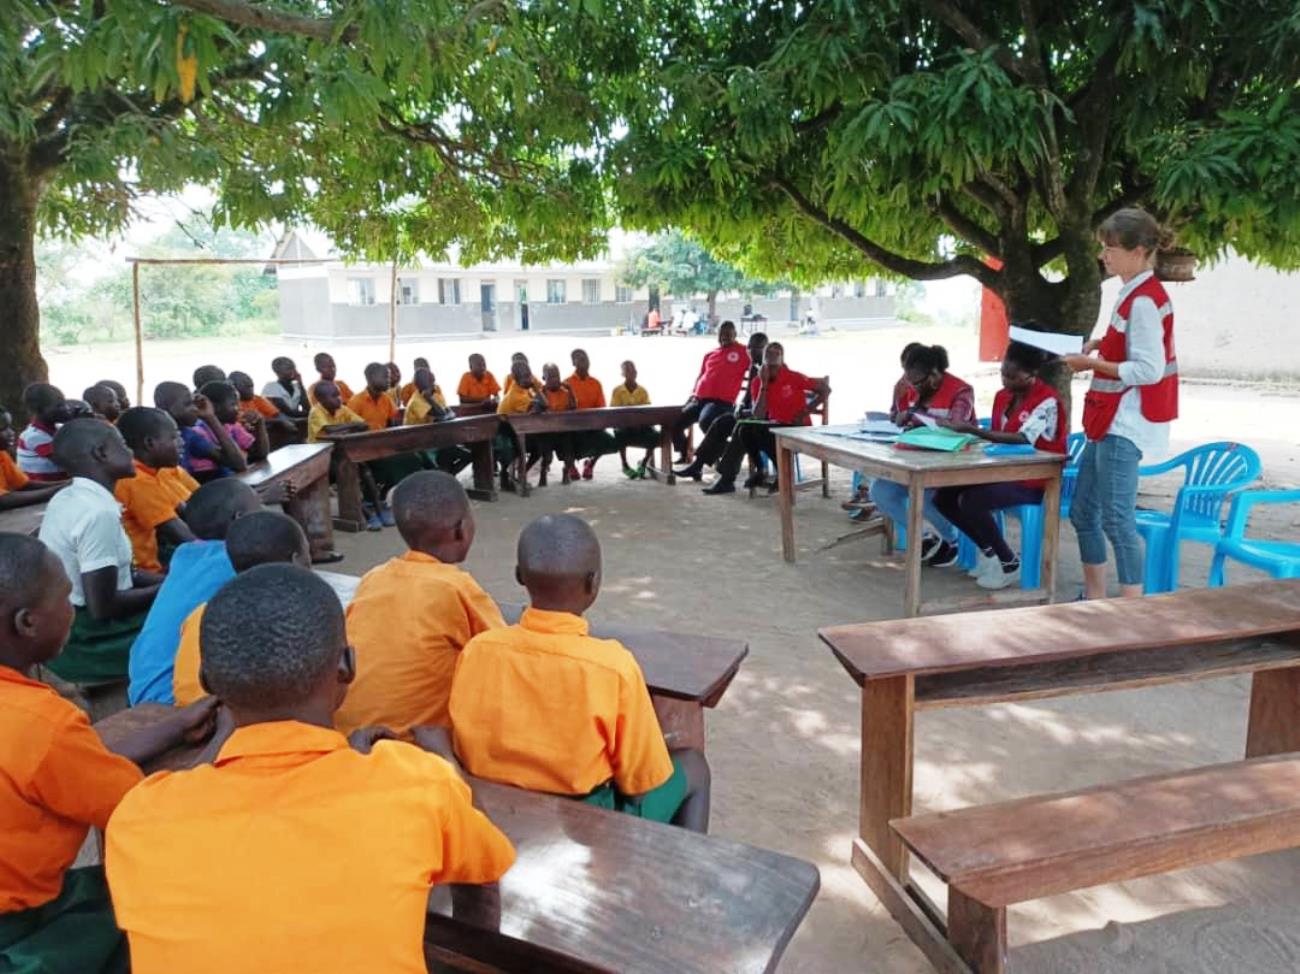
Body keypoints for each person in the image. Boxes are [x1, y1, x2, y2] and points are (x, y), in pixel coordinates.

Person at [105, 565, 516, 973]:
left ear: (208, 680)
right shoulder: (416, 782)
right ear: (347, 666)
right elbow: (482, 878)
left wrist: (216, 744)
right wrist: (442, 760)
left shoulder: (139, 816)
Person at [0, 533, 217, 974]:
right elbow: (135, 804)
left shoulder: (34, 723)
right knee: (171, 905)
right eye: (64, 597)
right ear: (27, 622)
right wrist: (225, 732)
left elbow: (72, 762)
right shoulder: (44, 724)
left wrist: (170, 724)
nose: (70, 609)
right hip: (20, 935)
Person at [449, 514, 710, 831]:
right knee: (694, 767)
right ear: (594, 583)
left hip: (495, 807)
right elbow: (639, 788)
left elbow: (464, 742)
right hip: (583, 824)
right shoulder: (613, 667)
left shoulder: (478, 650)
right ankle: (683, 873)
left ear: (520, 576)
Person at [1064, 208, 1179, 600]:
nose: (1104, 256)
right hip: (1106, 420)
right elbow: (1130, 348)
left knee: (1116, 519)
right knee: (1084, 513)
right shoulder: (1130, 293)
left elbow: (1149, 368)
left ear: (1140, 250)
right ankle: (1095, 599)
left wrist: (1091, 363)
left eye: (1111, 248)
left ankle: (1133, 610)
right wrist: (1100, 347)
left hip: (1124, 424)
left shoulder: (1145, 300)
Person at [336, 472, 504, 735]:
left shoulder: (372, 579)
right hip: (414, 748)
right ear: (461, 529)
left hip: (349, 737)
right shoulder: (457, 588)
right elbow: (504, 654)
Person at [37, 420, 163, 684]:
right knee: (186, 622)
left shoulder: (71, 497)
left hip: (68, 619)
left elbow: (125, 574)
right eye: (124, 446)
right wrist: (167, 589)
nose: (131, 453)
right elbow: (102, 607)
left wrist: (174, 580)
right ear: (101, 453)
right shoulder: (97, 513)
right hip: (86, 637)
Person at [934, 341, 1068, 589]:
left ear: (1032, 375)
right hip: (1001, 470)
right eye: (1003, 373)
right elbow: (997, 433)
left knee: (972, 500)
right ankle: (990, 552)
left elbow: (1022, 437)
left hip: (1036, 478)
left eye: (1012, 376)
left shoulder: (1047, 400)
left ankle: (1009, 562)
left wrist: (973, 430)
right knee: (944, 497)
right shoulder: (1002, 396)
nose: (1005, 381)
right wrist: (968, 435)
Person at [126, 479, 262, 705]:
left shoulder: (185, 554)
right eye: (259, 509)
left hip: (141, 685)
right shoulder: (238, 561)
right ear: (240, 519)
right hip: (178, 698)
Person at [172, 511, 311, 705]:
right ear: (296, 560)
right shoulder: (293, 617)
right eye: (308, 552)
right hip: (235, 723)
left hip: (187, 714)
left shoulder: (202, 612)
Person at [869, 344, 974, 566]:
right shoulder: (908, 387)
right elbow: (896, 414)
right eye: (910, 381)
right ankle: (924, 536)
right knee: (881, 491)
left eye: (917, 382)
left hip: (952, 464)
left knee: (927, 498)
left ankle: (951, 540)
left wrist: (915, 415)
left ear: (935, 375)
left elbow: (956, 424)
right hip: (915, 459)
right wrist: (899, 412)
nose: (913, 387)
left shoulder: (961, 391)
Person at [703, 342, 829, 495]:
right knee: (744, 428)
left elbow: (825, 390)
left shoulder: (793, 377)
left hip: (797, 427)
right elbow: (759, 415)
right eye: (769, 353)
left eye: (777, 353)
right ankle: (761, 468)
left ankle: (737, 477)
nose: (773, 355)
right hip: (775, 425)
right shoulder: (758, 382)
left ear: (782, 358)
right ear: (763, 359)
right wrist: (764, 384)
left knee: (756, 431)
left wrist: (805, 412)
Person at [674, 331, 768, 482]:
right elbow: (749, 395)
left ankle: (727, 479)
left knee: (740, 430)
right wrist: (742, 406)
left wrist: (746, 412)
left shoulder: (769, 368)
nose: (752, 350)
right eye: (750, 347)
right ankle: (697, 466)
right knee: (720, 423)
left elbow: (766, 405)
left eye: (758, 347)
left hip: (763, 418)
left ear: (766, 349)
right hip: (747, 412)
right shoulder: (754, 367)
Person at [114, 407, 198, 573]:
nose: (182, 442)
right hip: (141, 573)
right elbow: (182, 536)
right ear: (150, 443)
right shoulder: (136, 481)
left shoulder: (154, 472)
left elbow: (191, 508)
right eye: (174, 437)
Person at [671, 320, 750, 463]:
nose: (724, 337)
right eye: (721, 334)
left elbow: (760, 361)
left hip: (721, 403)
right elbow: (700, 376)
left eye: (727, 334)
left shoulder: (743, 351)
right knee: (674, 422)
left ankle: (712, 456)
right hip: (699, 400)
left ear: (735, 334)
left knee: (706, 420)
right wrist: (693, 395)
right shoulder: (710, 354)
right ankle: (685, 453)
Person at [153, 381, 248, 481]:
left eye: (193, 403)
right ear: (165, 408)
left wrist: (211, 417)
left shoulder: (189, 434)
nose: (195, 408)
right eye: (187, 404)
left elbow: (238, 464)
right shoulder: (160, 441)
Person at [0, 409, 66, 511]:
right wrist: (59, 489)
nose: (11, 432)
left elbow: (23, 485)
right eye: (3, 429)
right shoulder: (35, 436)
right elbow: (2, 500)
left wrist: (68, 483)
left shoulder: (2, 454)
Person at [567, 348, 616, 479]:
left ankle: (590, 464)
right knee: (563, 439)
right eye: (581, 359)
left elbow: (601, 408)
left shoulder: (596, 383)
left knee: (610, 441)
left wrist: (597, 424)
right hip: (573, 427)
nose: (585, 362)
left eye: (586, 359)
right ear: (573, 362)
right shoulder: (567, 383)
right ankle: (570, 466)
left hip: (592, 426)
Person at [198, 380, 268, 466]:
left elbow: (260, 454)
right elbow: (237, 465)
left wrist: (260, 424)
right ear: (214, 407)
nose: (239, 409)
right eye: (234, 404)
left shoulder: (233, 427)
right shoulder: (200, 432)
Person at [611, 360, 659, 479]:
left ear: (636, 373)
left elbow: (647, 411)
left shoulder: (642, 391)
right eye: (627, 370)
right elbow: (614, 413)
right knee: (618, 433)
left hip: (641, 426)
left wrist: (641, 422)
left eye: (632, 370)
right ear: (622, 374)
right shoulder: (617, 391)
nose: (630, 373)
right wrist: (628, 422)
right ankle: (625, 465)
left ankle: (644, 463)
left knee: (656, 435)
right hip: (625, 427)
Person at [16, 383, 70, 483]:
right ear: (40, 409)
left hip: (55, 485)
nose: (66, 409)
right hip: (39, 491)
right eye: (59, 406)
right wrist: (75, 423)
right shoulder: (34, 436)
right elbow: (67, 460)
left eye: (64, 404)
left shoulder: (56, 429)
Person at [535, 363, 577, 485]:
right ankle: (543, 472)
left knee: (569, 456)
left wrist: (571, 390)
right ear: (544, 378)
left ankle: (566, 471)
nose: (555, 380)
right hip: (546, 432)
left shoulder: (565, 392)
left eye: (557, 376)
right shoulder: (541, 392)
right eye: (551, 377)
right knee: (547, 457)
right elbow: (537, 409)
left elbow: (573, 407)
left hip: (563, 431)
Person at [230, 371, 296, 437]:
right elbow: (246, 422)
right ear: (234, 386)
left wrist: (284, 421)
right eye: (247, 387)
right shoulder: (231, 404)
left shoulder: (257, 399)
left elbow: (277, 415)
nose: (251, 390)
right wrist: (279, 421)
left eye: (252, 386)